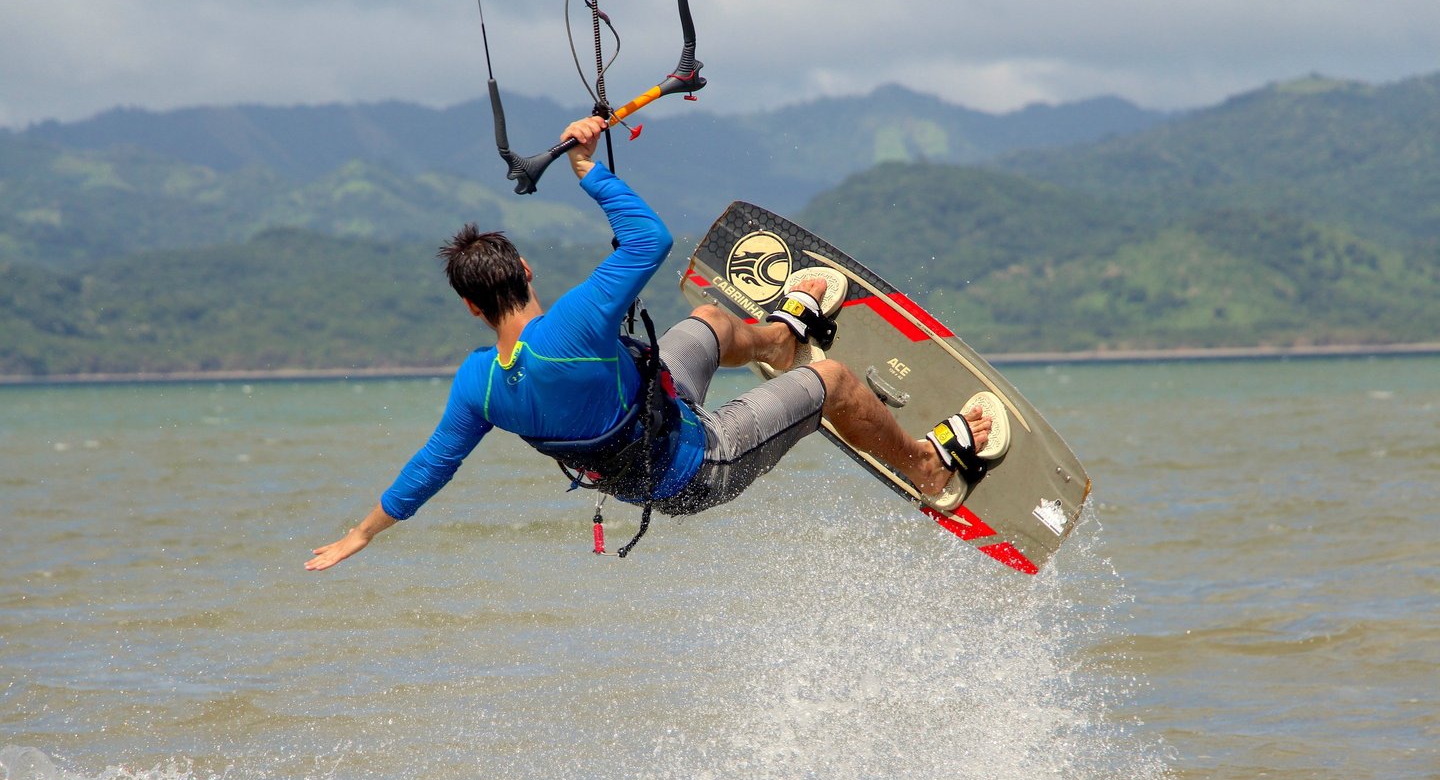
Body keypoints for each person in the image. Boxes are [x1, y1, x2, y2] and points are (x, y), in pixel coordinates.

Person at [306, 116, 992, 571]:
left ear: (469, 306)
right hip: (696, 465)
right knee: (838, 383)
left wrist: (362, 534)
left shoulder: (477, 384)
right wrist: (586, 170)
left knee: (713, 323)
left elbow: (431, 467)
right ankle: (931, 472)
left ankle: (780, 342)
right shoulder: (573, 324)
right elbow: (650, 240)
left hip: (654, 422)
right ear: (525, 272)